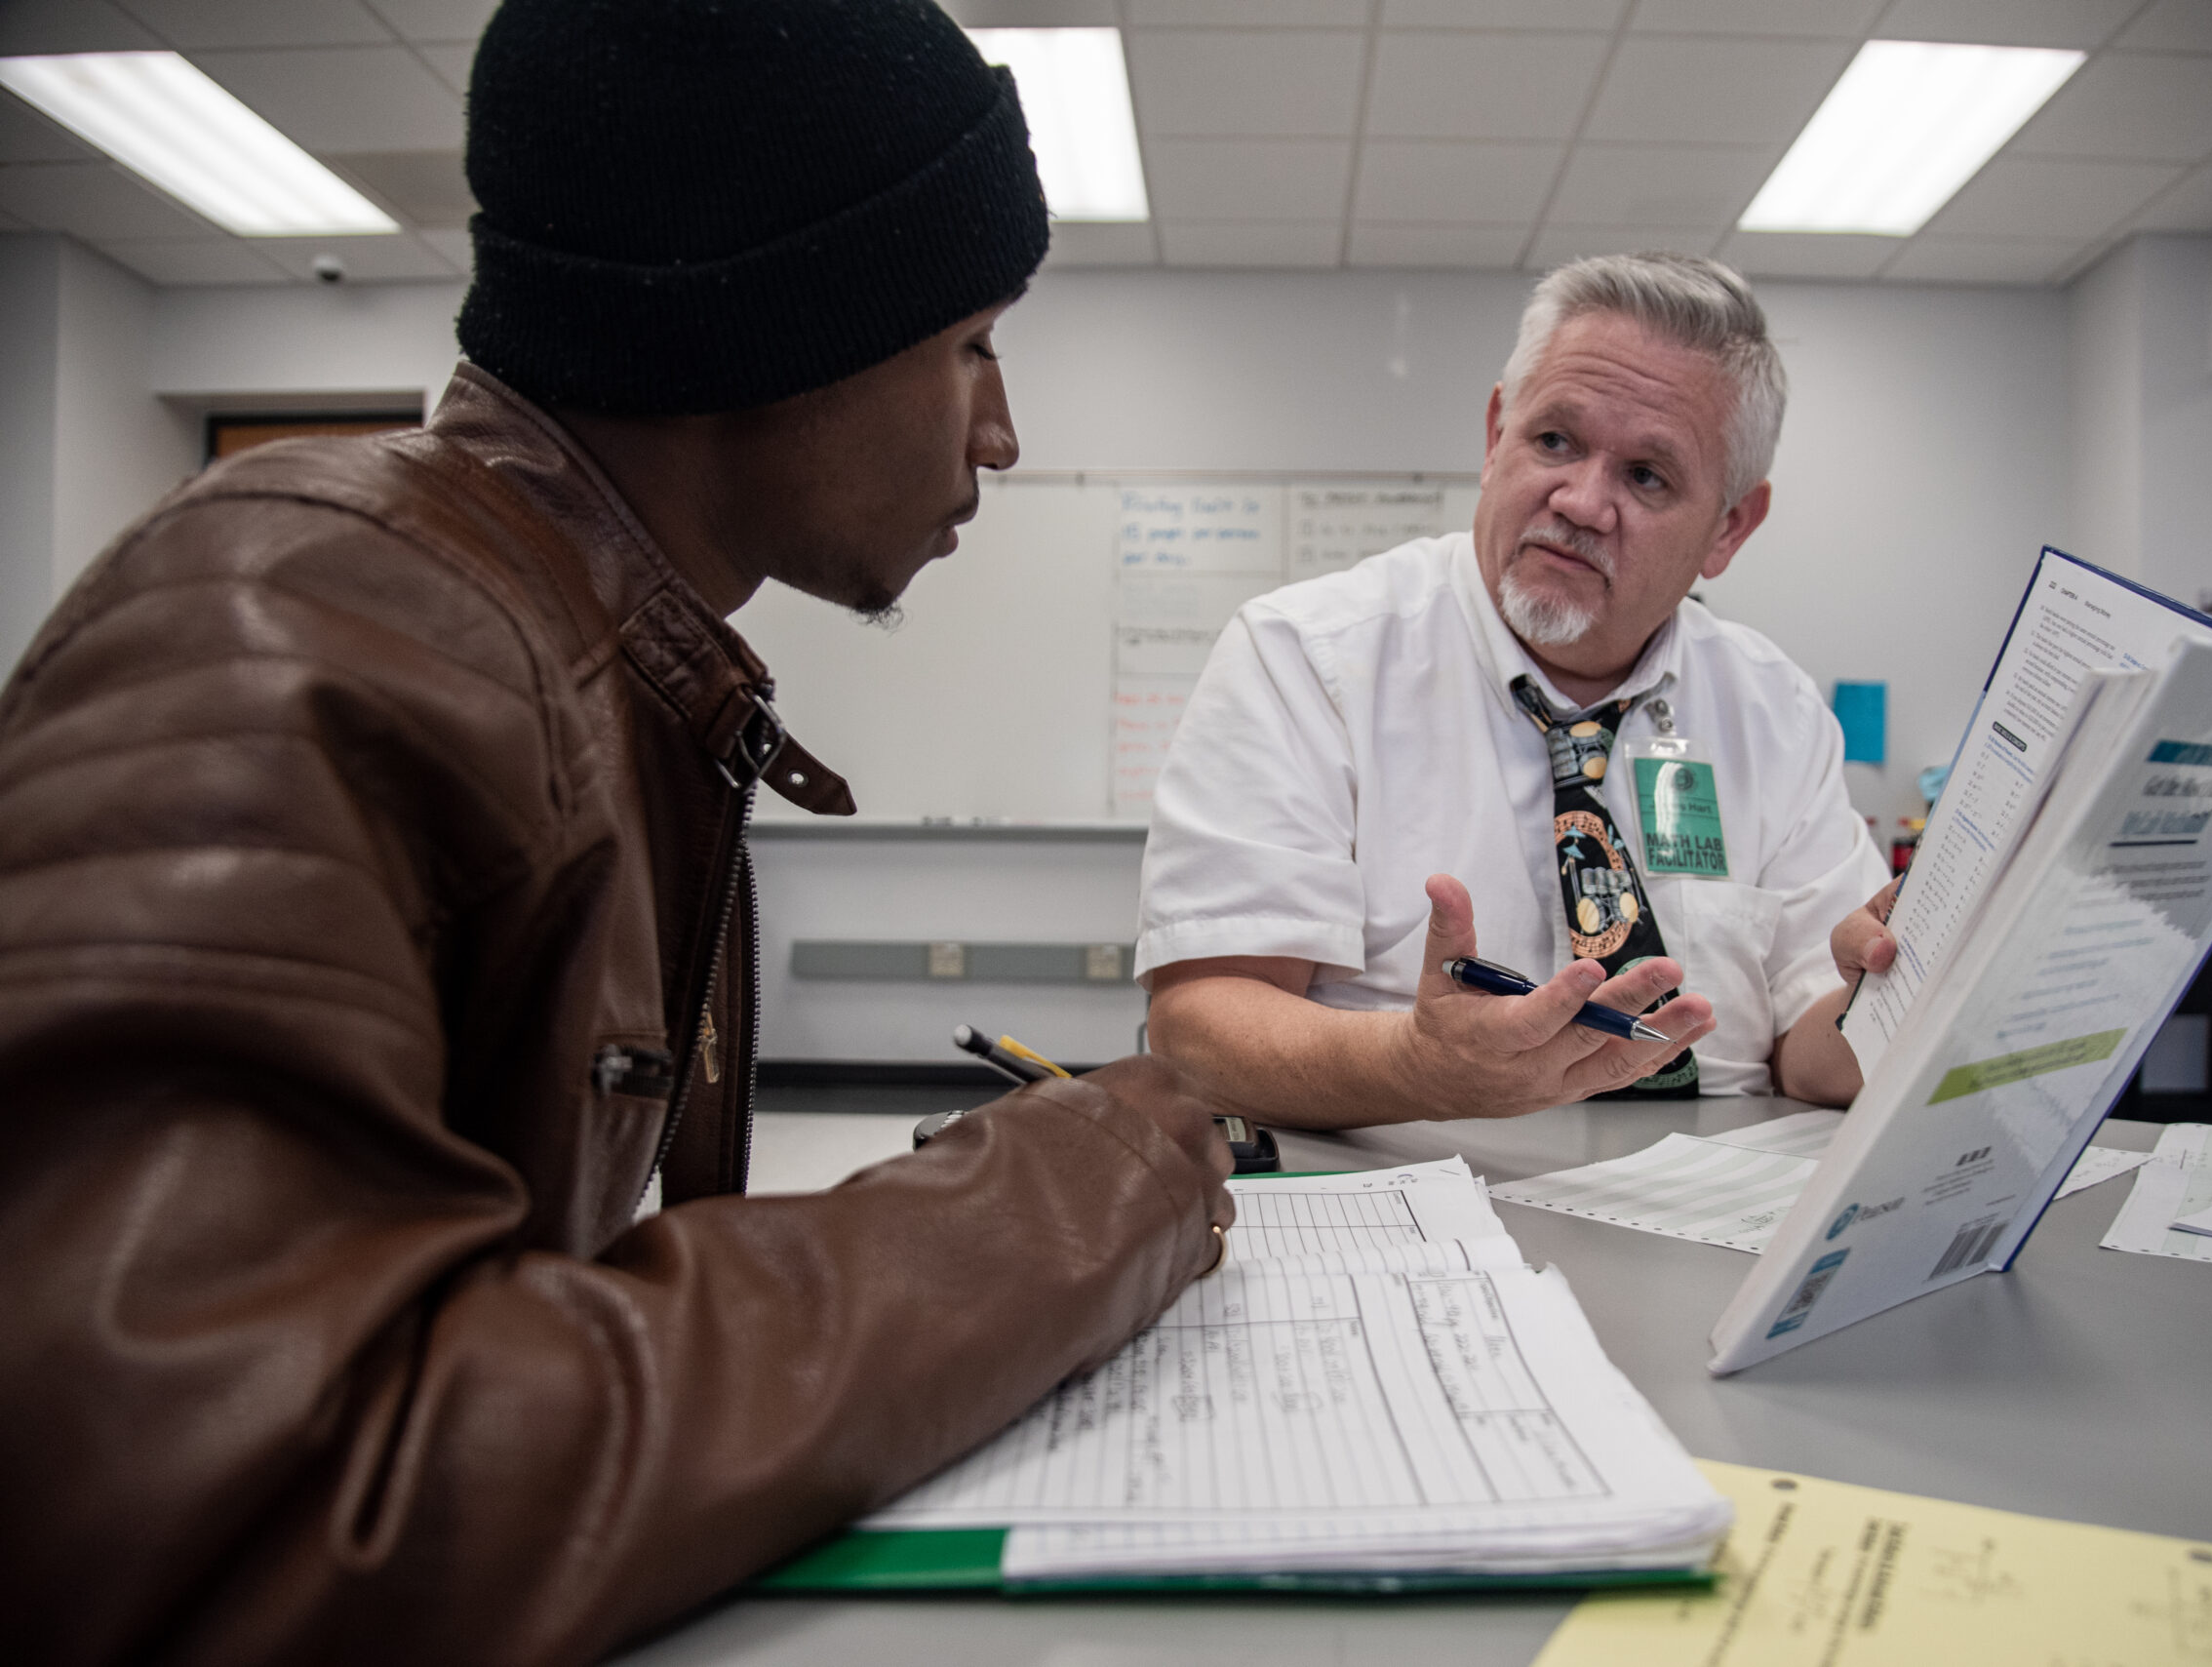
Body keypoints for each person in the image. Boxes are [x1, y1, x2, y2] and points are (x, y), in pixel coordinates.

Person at [0, 4, 1233, 1663]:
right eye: (966, 345)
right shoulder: (304, 613)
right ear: (783, 326)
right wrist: (1058, 1196)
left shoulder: (544, 635)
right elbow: (228, 1509)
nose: (997, 429)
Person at [1140, 253, 1895, 1129]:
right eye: (1555, 441)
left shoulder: (1779, 714)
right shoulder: (1306, 661)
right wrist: (1417, 1068)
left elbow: (1813, 1058)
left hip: (1711, 1217)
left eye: (1647, 476)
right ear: (1498, 432)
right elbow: (1197, 1023)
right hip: (1400, 1203)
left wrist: (1889, 997)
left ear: (1729, 527)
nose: (1580, 501)